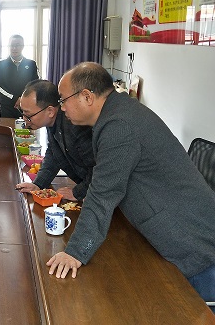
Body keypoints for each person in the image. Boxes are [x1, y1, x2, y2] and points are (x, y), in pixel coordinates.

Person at [47, 62, 215, 312]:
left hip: (192, 243)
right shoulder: (118, 112)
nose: (62, 107)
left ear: (87, 97)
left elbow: (103, 193)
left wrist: (75, 252)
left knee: (195, 311)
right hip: (179, 230)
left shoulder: (119, 126)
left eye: (63, 100)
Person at [14, 79, 95, 201]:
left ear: (50, 111)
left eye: (28, 115)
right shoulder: (53, 121)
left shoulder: (75, 124)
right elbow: (54, 153)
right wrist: (38, 184)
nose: (24, 119)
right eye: (22, 112)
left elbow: (99, 168)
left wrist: (78, 192)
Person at [0, 34, 39, 118]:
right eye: (12, 45)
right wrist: (15, 99)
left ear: (23, 46)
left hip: (26, 107)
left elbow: (36, 84)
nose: (14, 48)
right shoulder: (0, 64)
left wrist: (23, 99)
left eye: (17, 45)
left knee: (27, 127)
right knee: (6, 127)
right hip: (7, 107)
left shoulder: (32, 64)